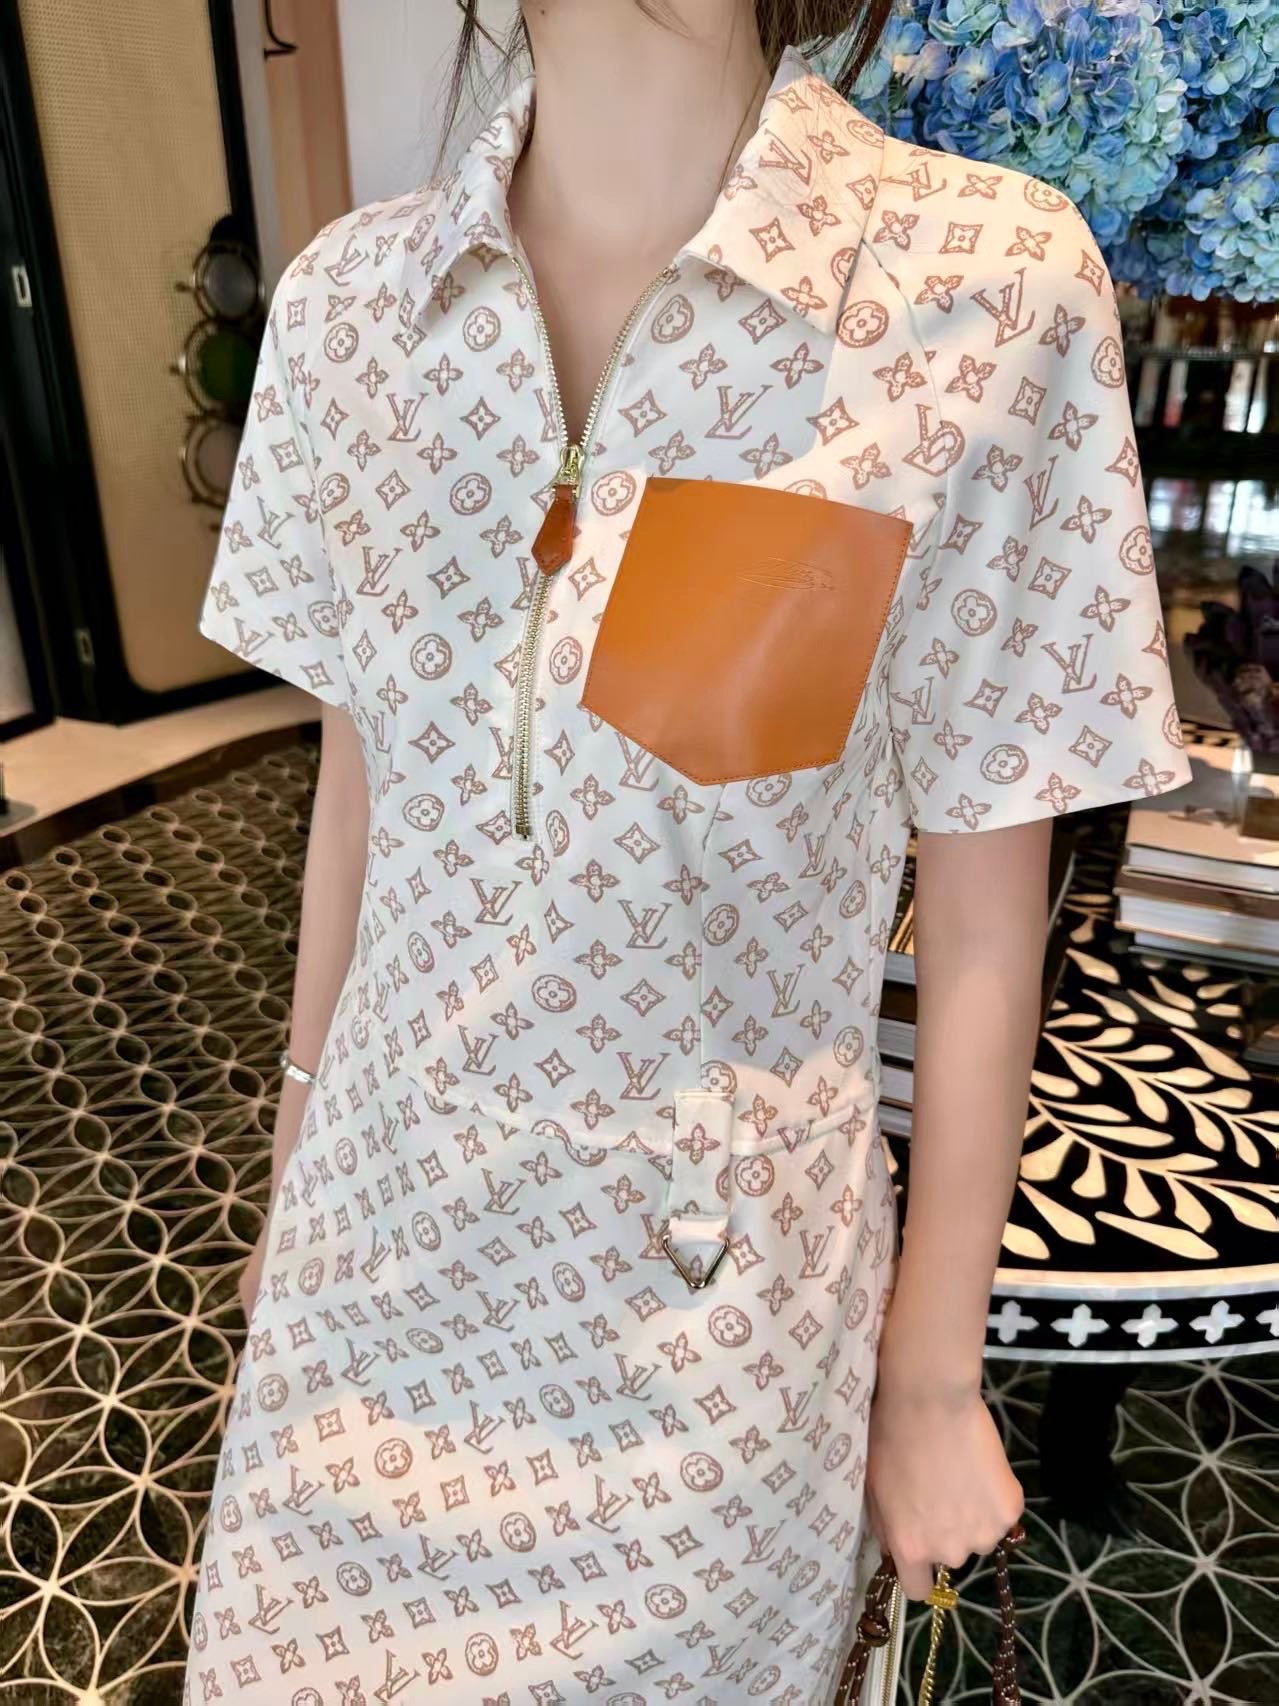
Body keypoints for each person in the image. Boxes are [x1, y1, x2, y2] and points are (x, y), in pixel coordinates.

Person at [185, 3, 1193, 1701]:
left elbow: (983, 918)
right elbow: (364, 784)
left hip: (698, 1351)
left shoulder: (984, 290)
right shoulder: (349, 306)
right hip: (371, 1272)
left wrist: (932, 1379)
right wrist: (296, 1168)